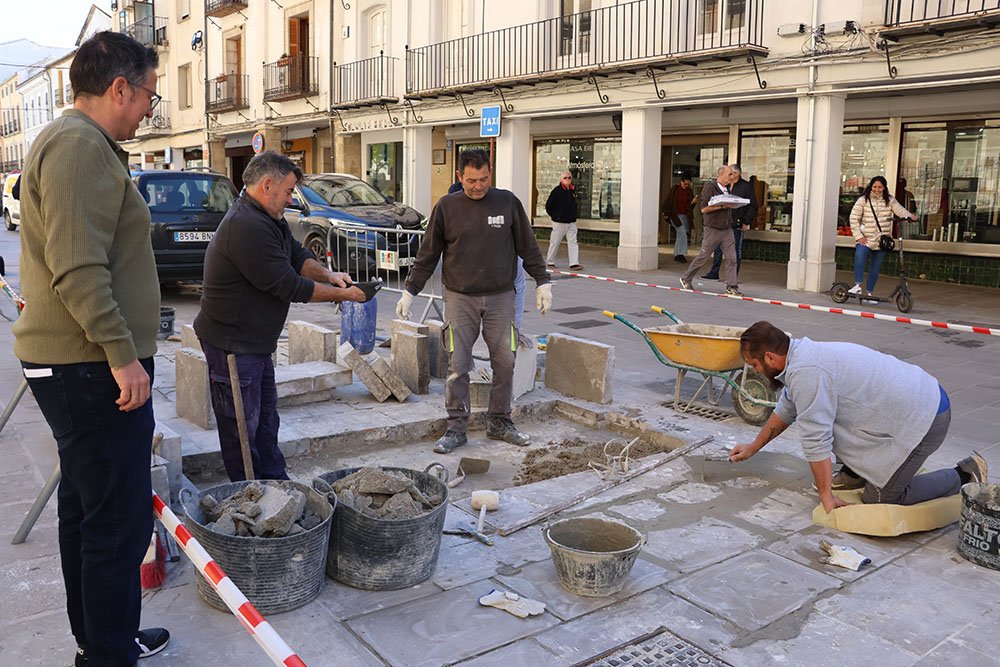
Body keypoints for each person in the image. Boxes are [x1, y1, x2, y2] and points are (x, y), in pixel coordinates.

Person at [12, 31, 170, 666]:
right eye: (149, 98)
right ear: (119, 88)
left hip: (83, 362)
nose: (148, 112)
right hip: (89, 365)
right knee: (117, 521)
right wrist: (122, 354)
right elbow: (78, 269)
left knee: (87, 508)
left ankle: (103, 640)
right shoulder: (79, 148)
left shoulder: (79, 143)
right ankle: (108, 656)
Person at [194, 151, 367, 482]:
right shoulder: (245, 225)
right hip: (232, 345)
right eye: (288, 192)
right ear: (267, 185)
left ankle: (276, 487)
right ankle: (249, 498)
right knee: (241, 430)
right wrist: (344, 295)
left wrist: (329, 276)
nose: (291, 199)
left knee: (266, 421)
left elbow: (297, 255)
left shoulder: (267, 216)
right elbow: (288, 285)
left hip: (255, 344)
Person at [728, 321, 988, 512]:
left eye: (755, 365)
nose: (757, 371)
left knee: (882, 500)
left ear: (770, 357)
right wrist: (753, 448)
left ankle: (964, 474)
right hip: (921, 398)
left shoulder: (806, 372)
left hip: (926, 419)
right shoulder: (802, 355)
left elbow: (815, 440)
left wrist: (826, 496)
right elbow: (787, 410)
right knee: (835, 415)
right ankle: (857, 471)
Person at [397, 148, 552, 453]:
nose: (478, 186)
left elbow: (528, 247)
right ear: (459, 177)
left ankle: (499, 420)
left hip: (501, 298)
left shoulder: (507, 202)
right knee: (458, 364)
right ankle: (456, 428)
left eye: (483, 179)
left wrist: (543, 282)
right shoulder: (446, 208)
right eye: (471, 180)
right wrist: (409, 291)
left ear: (490, 174)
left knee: (505, 362)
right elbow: (427, 255)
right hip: (459, 298)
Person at [849, 175, 916, 302]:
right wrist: (859, 236)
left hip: (881, 240)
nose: (877, 189)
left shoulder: (890, 200)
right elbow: (854, 218)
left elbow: (900, 210)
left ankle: (869, 294)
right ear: (871, 187)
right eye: (875, 187)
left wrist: (909, 216)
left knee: (875, 267)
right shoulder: (863, 200)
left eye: (880, 187)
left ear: (884, 188)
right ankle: (857, 285)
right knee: (859, 256)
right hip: (866, 238)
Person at [679, 165, 742, 296]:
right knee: (703, 256)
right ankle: (686, 277)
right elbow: (704, 209)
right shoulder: (710, 187)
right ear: (721, 175)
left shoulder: (728, 189)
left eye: (732, 174)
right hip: (713, 228)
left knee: (732, 257)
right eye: (729, 174)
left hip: (727, 228)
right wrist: (723, 206)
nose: (732, 177)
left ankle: (732, 286)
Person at [703, 164, 757, 279]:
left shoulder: (746, 186)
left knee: (735, 250)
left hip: (737, 222)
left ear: (737, 173)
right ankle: (714, 272)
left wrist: (746, 221)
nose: (729, 176)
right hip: (723, 223)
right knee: (717, 249)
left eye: (730, 173)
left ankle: (733, 277)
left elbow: (752, 205)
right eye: (728, 174)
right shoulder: (724, 186)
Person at [544, 170, 582, 270]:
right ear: (561, 179)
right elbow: (549, 206)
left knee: (573, 242)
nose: (568, 180)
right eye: (565, 178)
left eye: (569, 177)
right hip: (559, 222)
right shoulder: (557, 191)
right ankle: (550, 261)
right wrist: (556, 216)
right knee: (555, 242)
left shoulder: (572, 191)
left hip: (571, 222)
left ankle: (574, 263)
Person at [662, 172, 696, 263]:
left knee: (680, 234)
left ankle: (677, 254)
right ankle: (681, 254)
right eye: (685, 183)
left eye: (688, 184)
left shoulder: (689, 191)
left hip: (685, 215)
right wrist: (665, 212)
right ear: (681, 182)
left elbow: (690, 207)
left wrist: (693, 203)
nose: (686, 185)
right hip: (675, 215)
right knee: (682, 233)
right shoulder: (675, 189)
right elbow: (668, 200)